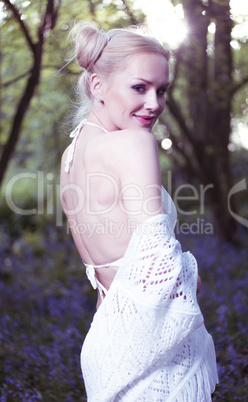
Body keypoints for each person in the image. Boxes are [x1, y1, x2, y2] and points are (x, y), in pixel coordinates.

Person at [60, 21, 218, 401]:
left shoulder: (72, 155)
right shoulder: (134, 144)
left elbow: (105, 273)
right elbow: (161, 269)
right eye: (139, 88)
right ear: (97, 85)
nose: (154, 104)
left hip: (108, 345)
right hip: (151, 357)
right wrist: (192, 278)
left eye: (161, 90)